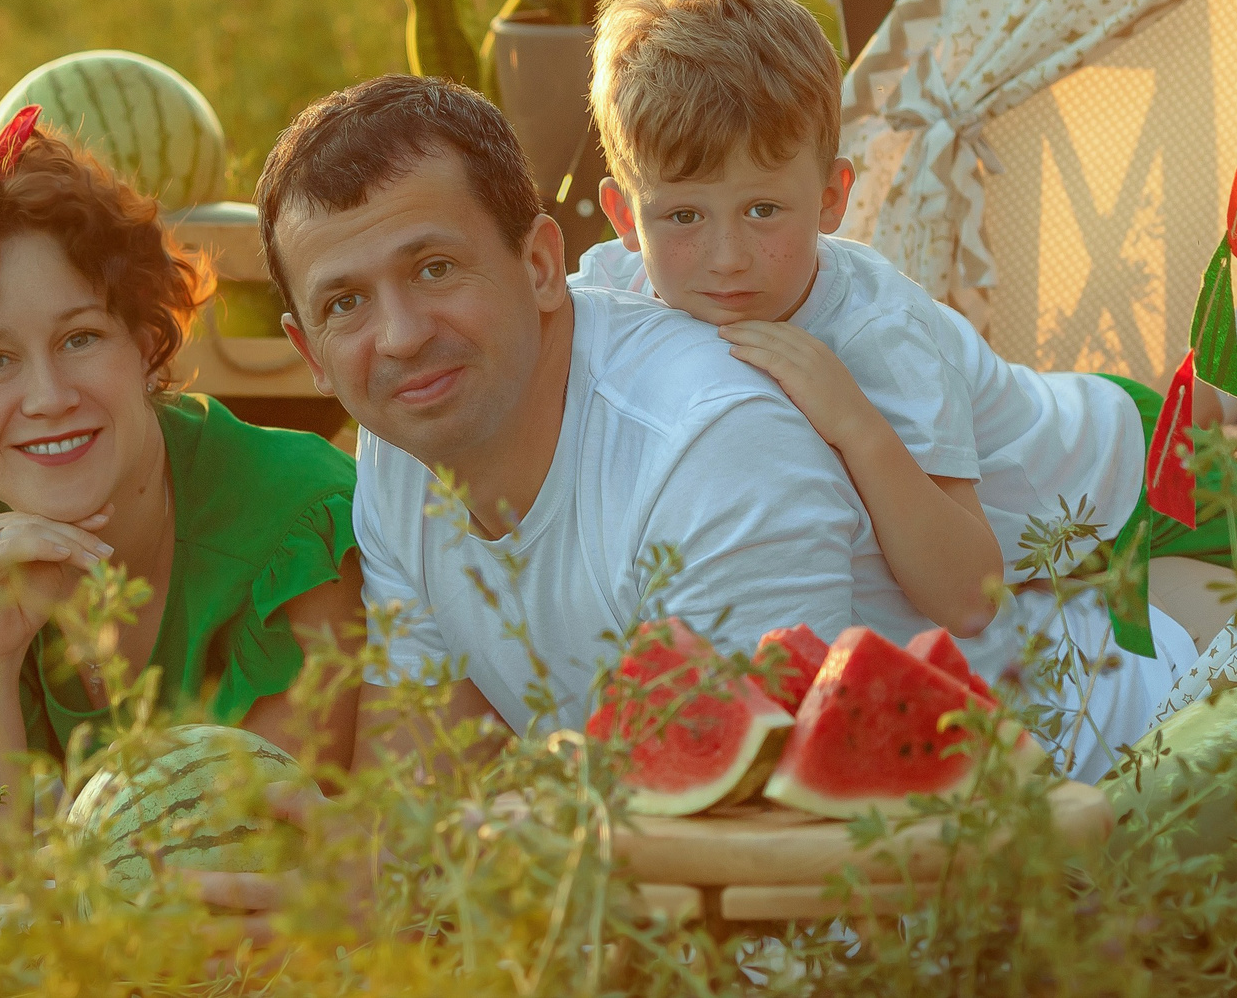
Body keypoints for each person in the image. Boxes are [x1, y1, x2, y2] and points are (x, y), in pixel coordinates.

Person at [571, 0, 1237, 775]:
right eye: (681, 215)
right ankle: (1228, 375)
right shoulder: (619, 283)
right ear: (620, 213)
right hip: (1050, 522)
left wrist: (853, 422)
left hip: (1120, 484)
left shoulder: (879, 340)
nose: (726, 258)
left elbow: (970, 589)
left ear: (836, 196)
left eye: (765, 209)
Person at [256, 76, 873, 761]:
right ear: (310, 351)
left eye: (435, 269)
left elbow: (758, 812)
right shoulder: (397, 449)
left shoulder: (713, 446)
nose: (400, 337)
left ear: (544, 264)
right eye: (345, 304)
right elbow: (421, 779)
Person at [0, 109, 364, 863]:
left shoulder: (294, 520)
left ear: (148, 347)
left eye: (80, 338)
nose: (49, 395)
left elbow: (241, 847)